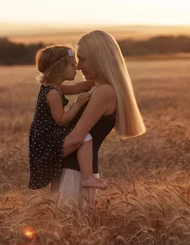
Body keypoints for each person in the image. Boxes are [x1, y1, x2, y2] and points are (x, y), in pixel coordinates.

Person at [51, 30, 146, 205]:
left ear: (99, 58)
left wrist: (43, 158)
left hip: (76, 174)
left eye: (83, 60)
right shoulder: (95, 86)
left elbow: (76, 138)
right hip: (72, 170)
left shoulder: (105, 91)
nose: (78, 67)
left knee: (72, 228)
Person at [28, 44, 108, 191]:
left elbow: (78, 88)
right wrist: (78, 103)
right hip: (47, 137)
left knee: (84, 138)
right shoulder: (52, 93)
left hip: (49, 133)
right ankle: (87, 177)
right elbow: (61, 120)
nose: (76, 67)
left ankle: (87, 177)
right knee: (86, 138)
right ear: (58, 69)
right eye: (72, 64)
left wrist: (98, 79)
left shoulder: (55, 87)